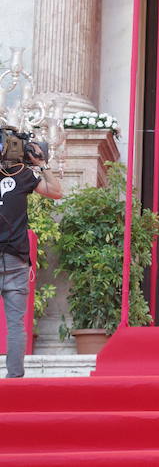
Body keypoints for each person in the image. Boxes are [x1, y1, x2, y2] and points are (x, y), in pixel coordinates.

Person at [0, 138, 62, 378]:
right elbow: (56, 192)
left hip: (14, 260)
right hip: (15, 260)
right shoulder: (23, 174)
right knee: (15, 324)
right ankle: (14, 379)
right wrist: (42, 164)